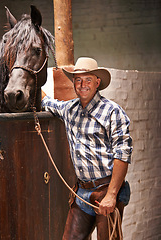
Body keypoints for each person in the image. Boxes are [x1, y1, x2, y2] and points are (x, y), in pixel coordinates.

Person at [41, 57, 133, 240]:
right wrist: (31, 79)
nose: (82, 84)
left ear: (97, 82)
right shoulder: (69, 109)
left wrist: (111, 195)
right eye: (78, 80)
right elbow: (47, 102)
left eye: (88, 80)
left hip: (106, 190)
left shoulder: (112, 112)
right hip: (82, 192)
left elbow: (122, 154)